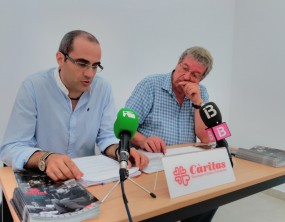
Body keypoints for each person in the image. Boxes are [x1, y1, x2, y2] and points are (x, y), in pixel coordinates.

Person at [0, 30, 148, 181]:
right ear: (60, 58)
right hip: (42, 178)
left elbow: (107, 136)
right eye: (82, 64)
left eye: (95, 66)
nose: (90, 74)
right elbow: (12, 147)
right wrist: (46, 158)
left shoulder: (103, 88)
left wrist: (121, 151)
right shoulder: (33, 87)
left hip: (85, 179)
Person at [125, 46, 217, 222]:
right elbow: (124, 125)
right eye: (185, 68)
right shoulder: (150, 85)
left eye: (195, 75)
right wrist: (143, 140)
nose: (187, 76)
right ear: (177, 64)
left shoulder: (201, 93)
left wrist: (197, 103)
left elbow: (206, 138)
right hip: (151, 167)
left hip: (184, 167)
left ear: (200, 79)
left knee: (210, 200)